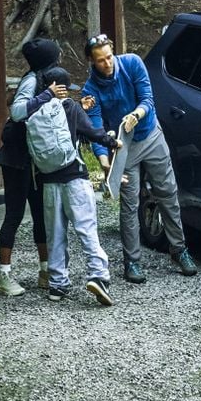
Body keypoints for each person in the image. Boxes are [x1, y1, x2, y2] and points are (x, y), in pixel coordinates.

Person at [81, 33, 197, 283]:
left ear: (113, 51)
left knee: (167, 192)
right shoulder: (90, 90)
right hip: (124, 146)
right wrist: (105, 162)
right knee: (129, 204)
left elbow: (147, 98)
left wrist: (137, 114)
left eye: (109, 57)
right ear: (92, 61)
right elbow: (96, 128)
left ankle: (179, 249)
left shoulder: (132, 63)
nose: (107, 63)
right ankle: (132, 261)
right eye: (100, 60)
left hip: (150, 134)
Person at [22, 65, 119, 305]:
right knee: (86, 230)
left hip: (49, 183)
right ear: (63, 88)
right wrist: (111, 142)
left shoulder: (35, 111)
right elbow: (91, 132)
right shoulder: (70, 107)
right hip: (75, 179)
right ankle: (98, 276)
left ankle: (57, 285)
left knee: (55, 236)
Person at [0, 36, 60, 297]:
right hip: (16, 161)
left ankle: (45, 271)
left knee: (41, 215)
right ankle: (3, 276)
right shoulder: (32, 81)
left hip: (35, 160)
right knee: (15, 215)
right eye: (55, 56)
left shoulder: (45, 78)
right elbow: (18, 112)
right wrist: (47, 95)